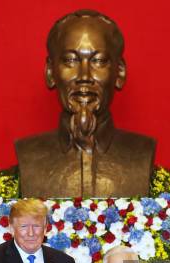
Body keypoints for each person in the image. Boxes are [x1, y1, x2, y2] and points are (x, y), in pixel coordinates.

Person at [15, 9, 156, 198]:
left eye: (98, 61)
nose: (84, 77)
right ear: (50, 72)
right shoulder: (29, 155)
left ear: (120, 72)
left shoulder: (141, 152)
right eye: (70, 60)